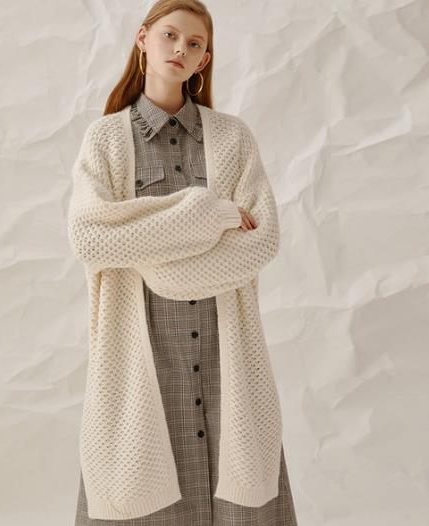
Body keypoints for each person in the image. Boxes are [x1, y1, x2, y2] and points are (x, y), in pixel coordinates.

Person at [71, 1, 298, 524]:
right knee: (135, 489)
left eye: (194, 43)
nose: (180, 48)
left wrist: (148, 251)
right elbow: (90, 239)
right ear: (143, 38)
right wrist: (209, 215)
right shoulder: (106, 140)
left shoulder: (233, 138)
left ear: (203, 60)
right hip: (141, 354)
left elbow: (262, 241)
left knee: (241, 481)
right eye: (170, 35)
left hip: (226, 352)